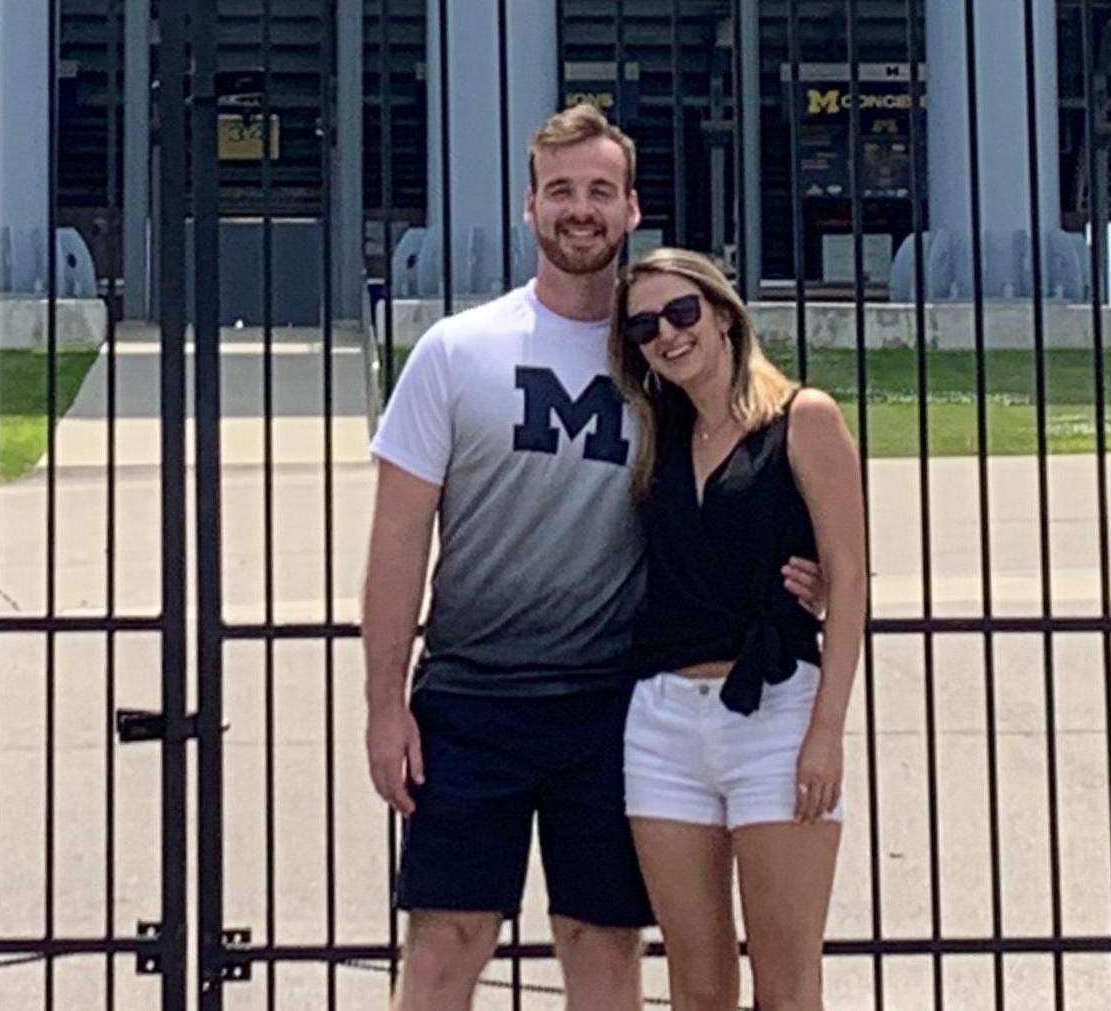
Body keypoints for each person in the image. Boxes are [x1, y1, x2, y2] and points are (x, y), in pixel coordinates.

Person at [359, 105, 820, 1011]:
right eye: (561, 189)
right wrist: (383, 705)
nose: (581, 208)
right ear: (529, 206)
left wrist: (807, 570)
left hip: (614, 701)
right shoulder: (456, 351)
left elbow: (742, 476)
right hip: (470, 694)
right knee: (446, 940)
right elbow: (397, 541)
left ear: (630, 208)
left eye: (600, 190)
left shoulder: (664, 356)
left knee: (603, 945)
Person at [610, 248, 869, 1011]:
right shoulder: (655, 434)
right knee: (696, 985)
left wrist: (826, 731)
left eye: (682, 311)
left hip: (776, 713)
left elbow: (848, 577)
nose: (667, 332)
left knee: (786, 984)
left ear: (723, 314)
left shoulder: (802, 418)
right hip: (661, 723)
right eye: (645, 324)